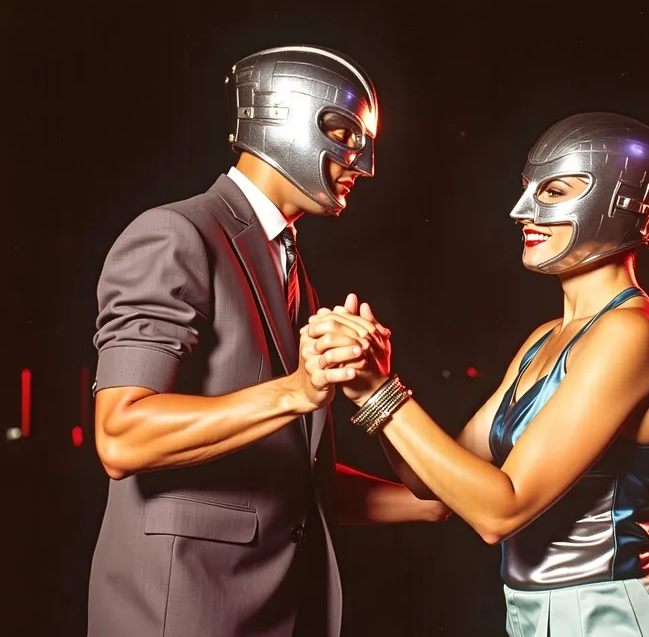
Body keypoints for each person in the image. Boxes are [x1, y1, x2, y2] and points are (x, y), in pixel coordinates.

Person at [88, 45, 448, 637]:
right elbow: (121, 434)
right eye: (345, 136)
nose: (362, 165)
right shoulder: (176, 234)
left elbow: (297, 485)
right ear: (284, 119)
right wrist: (298, 390)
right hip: (181, 617)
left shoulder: (289, 266)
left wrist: (444, 500)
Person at [305, 113, 649, 636]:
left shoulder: (632, 334)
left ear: (621, 202)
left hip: (609, 620)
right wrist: (363, 376)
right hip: (535, 619)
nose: (521, 211)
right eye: (526, 189)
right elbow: (432, 485)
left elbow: (499, 512)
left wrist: (381, 391)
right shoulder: (545, 337)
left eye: (554, 190)